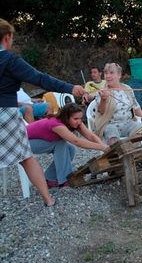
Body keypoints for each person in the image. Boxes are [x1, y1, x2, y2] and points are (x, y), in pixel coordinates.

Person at [0, 18, 86, 207]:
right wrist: (70, 88)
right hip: (5, 115)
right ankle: (48, 200)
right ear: (7, 37)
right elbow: (40, 78)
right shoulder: (9, 60)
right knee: (26, 158)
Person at [27, 103, 108, 187]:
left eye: (80, 118)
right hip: (25, 143)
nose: (79, 121)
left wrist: (103, 147)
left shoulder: (76, 123)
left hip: (39, 140)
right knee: (60, 143)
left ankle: (49, 179)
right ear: (66, 117)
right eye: (75, 118)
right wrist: (102, 147)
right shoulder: (56, 124)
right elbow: (77, 141)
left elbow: (90, 136)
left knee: (71, 148)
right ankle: (65, 179)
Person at [93, 63, 142, 145]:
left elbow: (135, 106)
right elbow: (100, 111)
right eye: (106, 73)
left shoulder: (127, 89)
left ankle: (132, 152)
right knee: (111, 134)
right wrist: (103, 99)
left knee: (138, 127)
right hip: (110, 124)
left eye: (111, 73)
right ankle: (117, 154)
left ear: (119, 75)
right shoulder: (103, 91)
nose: (108, 76)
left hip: (127, 123)